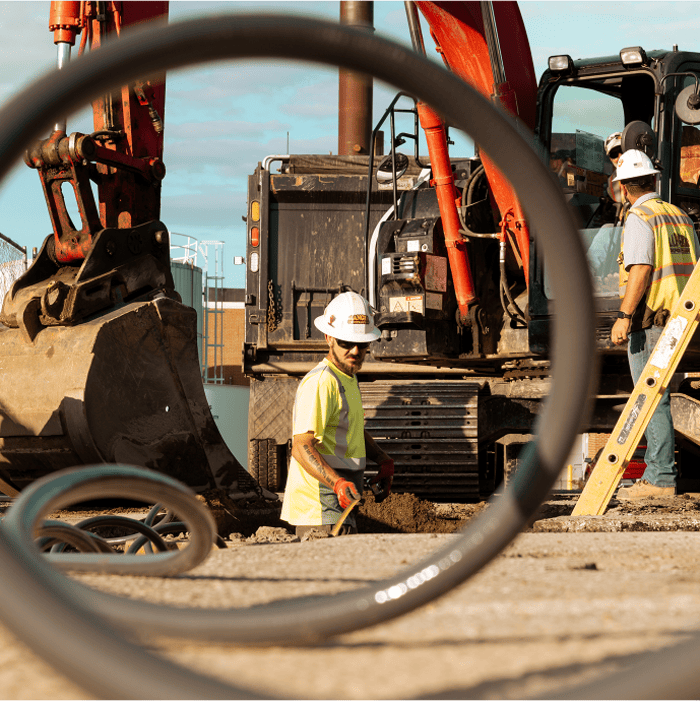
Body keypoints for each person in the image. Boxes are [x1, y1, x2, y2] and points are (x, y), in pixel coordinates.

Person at [611, 149, 699, 499]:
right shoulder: (679, 216)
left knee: (651, 397)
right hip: (683, 319)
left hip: (652, 323)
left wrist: (623, 316)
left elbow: (642, 270)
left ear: (624, 189)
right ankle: (664, 472)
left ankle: (660, 478)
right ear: (652, 180)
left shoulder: (639, 217)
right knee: (657, 394)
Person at [280, 291, 394, 536]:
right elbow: (301, 446)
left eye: (362, 344)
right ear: (328, 338)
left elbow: (352, 429)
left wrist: (383, 460)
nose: (355, 351)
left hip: (340, 501)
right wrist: (337, 483)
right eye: (345, 342)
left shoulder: (348, 378)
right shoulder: (322, 382)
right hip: (321, 508)